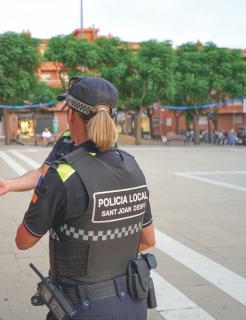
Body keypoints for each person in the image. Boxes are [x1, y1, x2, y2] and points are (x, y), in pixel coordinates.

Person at [15, 77, 156, 320]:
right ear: (113, 119)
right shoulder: (132, 167)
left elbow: (23, 241)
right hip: (133, 304)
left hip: (82, 307)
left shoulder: (62, 174)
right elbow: (147, 239)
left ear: (70, 115)